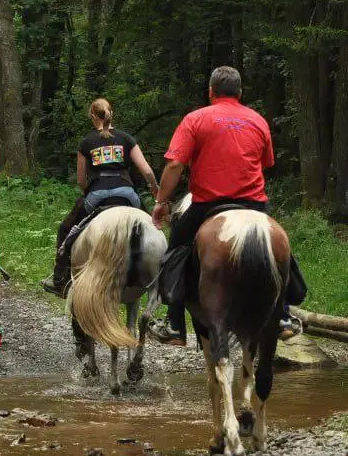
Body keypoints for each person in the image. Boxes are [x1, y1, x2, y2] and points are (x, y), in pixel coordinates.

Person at [147, 66, 302, 346]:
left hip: (208, 204)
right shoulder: (258, 120)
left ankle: (174, 325)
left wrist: (161, 201)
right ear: (240, 92)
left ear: (210, 92)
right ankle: (283, 316)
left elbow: (175, 164)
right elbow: (266, 162)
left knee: (176, 250)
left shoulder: (195, 119)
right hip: (253, 205)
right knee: (282, 250)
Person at [41, 98, 159, 297]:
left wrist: (90, 189)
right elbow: (146, 171)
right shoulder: (126, 138)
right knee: (152, 228)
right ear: (111, 113)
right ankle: (161, 274)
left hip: (97, 195)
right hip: (128, 195)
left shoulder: (87, 142)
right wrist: (155, 189)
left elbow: (81, 179)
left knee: (67, 229)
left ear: (93, 116)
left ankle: (59, 277)